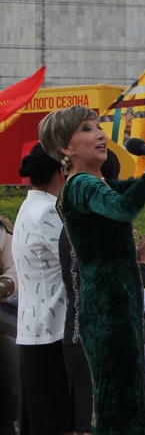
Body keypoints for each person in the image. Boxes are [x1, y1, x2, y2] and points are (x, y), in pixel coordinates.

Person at [40, 105, 145, 435]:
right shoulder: (80, 186)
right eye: (87, 129)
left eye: (98, 127)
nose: (100, 134)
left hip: (120, 303)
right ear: (65, 148)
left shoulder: (99, 184)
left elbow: (134, 190)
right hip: (104, 306)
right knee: (116, 403)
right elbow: (125, 207)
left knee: (130, 400)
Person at [12, 144, 69, 435]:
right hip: (53, 332)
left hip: (34, 331)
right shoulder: (49, 211)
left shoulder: (29, 206)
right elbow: (79, 263)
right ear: (63, 171)